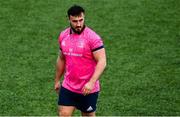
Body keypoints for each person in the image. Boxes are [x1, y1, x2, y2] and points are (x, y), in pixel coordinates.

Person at [54, 5, 106, 116]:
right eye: (75, 21)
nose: (78, 24)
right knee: (63, 114)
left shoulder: (93, 38)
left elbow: (102, 61)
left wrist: (91, 83)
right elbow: (61, 58)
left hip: (87, 89)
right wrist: (57, 80)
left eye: (81, 20)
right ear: (69, 19)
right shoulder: (63, 36)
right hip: (68, 86)